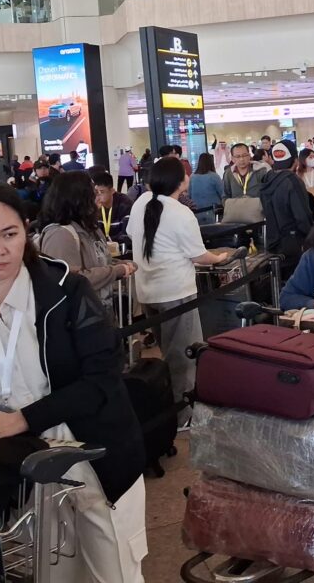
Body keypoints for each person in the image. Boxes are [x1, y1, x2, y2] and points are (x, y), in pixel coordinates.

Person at [0, 180, 147, 582]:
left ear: (26, 231)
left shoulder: (66, 291)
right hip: (24, 463)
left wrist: (18, 420)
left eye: (9, 234)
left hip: (96, 451)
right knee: (52, 574)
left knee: (115, 571)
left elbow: (102, 380)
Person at [127, 158, 229, 426]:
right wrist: (219, 258)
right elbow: (199, 256)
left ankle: (169, 412)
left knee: (167, 354)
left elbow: (133, 235)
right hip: (176, 293)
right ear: (181, 181)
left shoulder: (141, 203)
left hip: (147, 292)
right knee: (184, 358)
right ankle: (183, 418)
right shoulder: (181, 212)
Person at [37, 172, 136, 311]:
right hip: (78, 317)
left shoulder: (91, 228)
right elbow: (69, 281)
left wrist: (120, 264)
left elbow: (97, 262)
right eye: (94, 194)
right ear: (78, 199)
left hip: (100, 310)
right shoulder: (60, 235)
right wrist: (115, 271)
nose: (99, 199)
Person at [259, 140, 314, 273]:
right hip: (294, 245)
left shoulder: (266, 180)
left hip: (272, 242)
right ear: (295, 161)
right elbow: (302, 217)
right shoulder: (292, 181)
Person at [92, 171, 134, 245]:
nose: (98, 196)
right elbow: (91, 233)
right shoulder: (94, 205)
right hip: (102, 248)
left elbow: (126, 234)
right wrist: (94, 212)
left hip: (121, 248)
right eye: (96, 192)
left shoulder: (125, 203)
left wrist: (108, 242)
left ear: (112, 191)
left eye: (102, 192)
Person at [189, 153, 225, 225]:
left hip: (197, 213)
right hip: (213, 212)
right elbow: (223, 193)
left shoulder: (192, 177)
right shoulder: (214, 176)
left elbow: (189, 195)